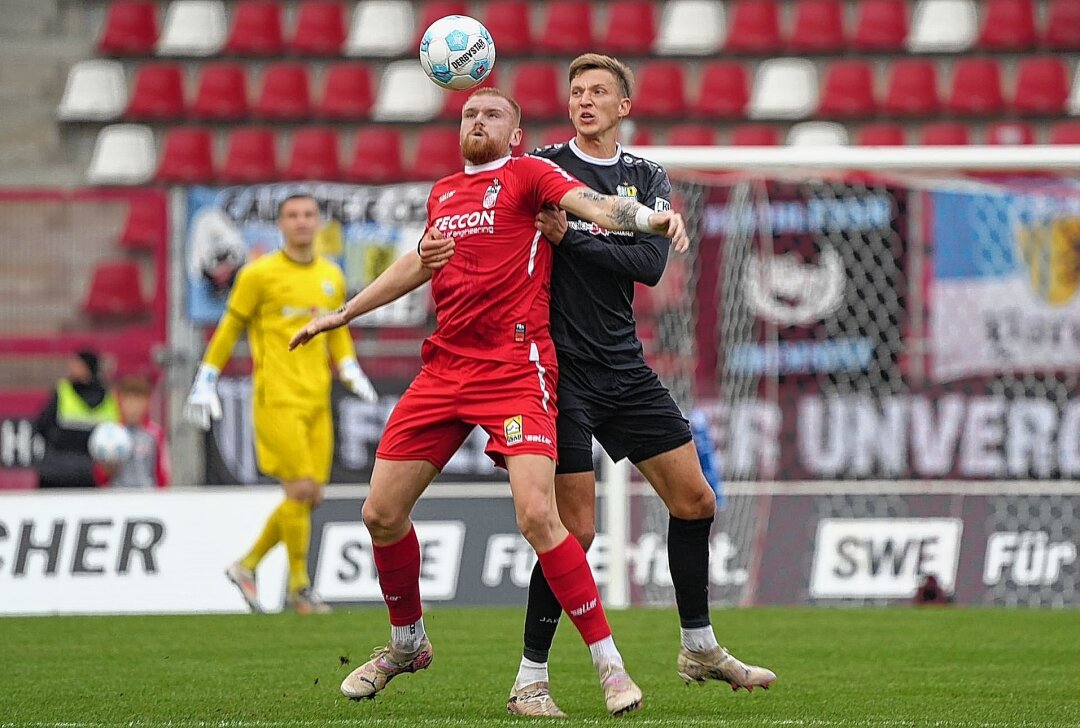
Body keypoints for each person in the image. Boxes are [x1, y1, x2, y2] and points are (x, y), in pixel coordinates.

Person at [290, 87, 688, 716]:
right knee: (379, 513)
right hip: (445, 368)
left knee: (539, 517)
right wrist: (344, 313)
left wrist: (652, 219)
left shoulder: (529, 175)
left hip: (515, 367)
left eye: (492, 114)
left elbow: (597, 206)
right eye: (469, 114)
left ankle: (609, 667)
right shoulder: (444, 192)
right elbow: (419, 263)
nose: (478, 121)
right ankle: (406, 643)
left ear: (516, 132)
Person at [420, 54, 776, 717]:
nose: (584, 100)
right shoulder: (545, 169)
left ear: (623, 107)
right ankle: (530, 676)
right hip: (559, 372)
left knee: (695, 499)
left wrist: (571, 238)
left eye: (598, 92)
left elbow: (646, 263)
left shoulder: (646, 176)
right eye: (576, 91)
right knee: (572, 532)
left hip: (624, 365)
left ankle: (697, 645)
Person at [184, 192, 378, 615]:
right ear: (280, 224)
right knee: (302, 489)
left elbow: (338, 330)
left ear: (318, 222)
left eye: (309, 214)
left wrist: (349, 368)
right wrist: (207, 378)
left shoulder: (330, 274)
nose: (302, 222)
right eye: (293, 215)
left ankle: (247, 566)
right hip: (277, 398)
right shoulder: (259, 275)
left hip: (317, 400)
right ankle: (300, 588)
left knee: (310, 497)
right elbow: (230, 326)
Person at [34, 349, 119, 488]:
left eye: (76, 364)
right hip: (61, 470)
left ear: (88, 367)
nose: (71, 368)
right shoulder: (108, 396)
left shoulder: (64, 392)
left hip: (85, 473)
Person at [93, 375, 170, 489]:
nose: (132, 406)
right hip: (117, 496)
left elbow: (162, 472)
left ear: (147, 403)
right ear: (120, 401)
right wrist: (107, 469)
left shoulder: (155, 434)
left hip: (146, 496)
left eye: (138, 401)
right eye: (128, 400)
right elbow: (100, 475)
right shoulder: (111, 432)